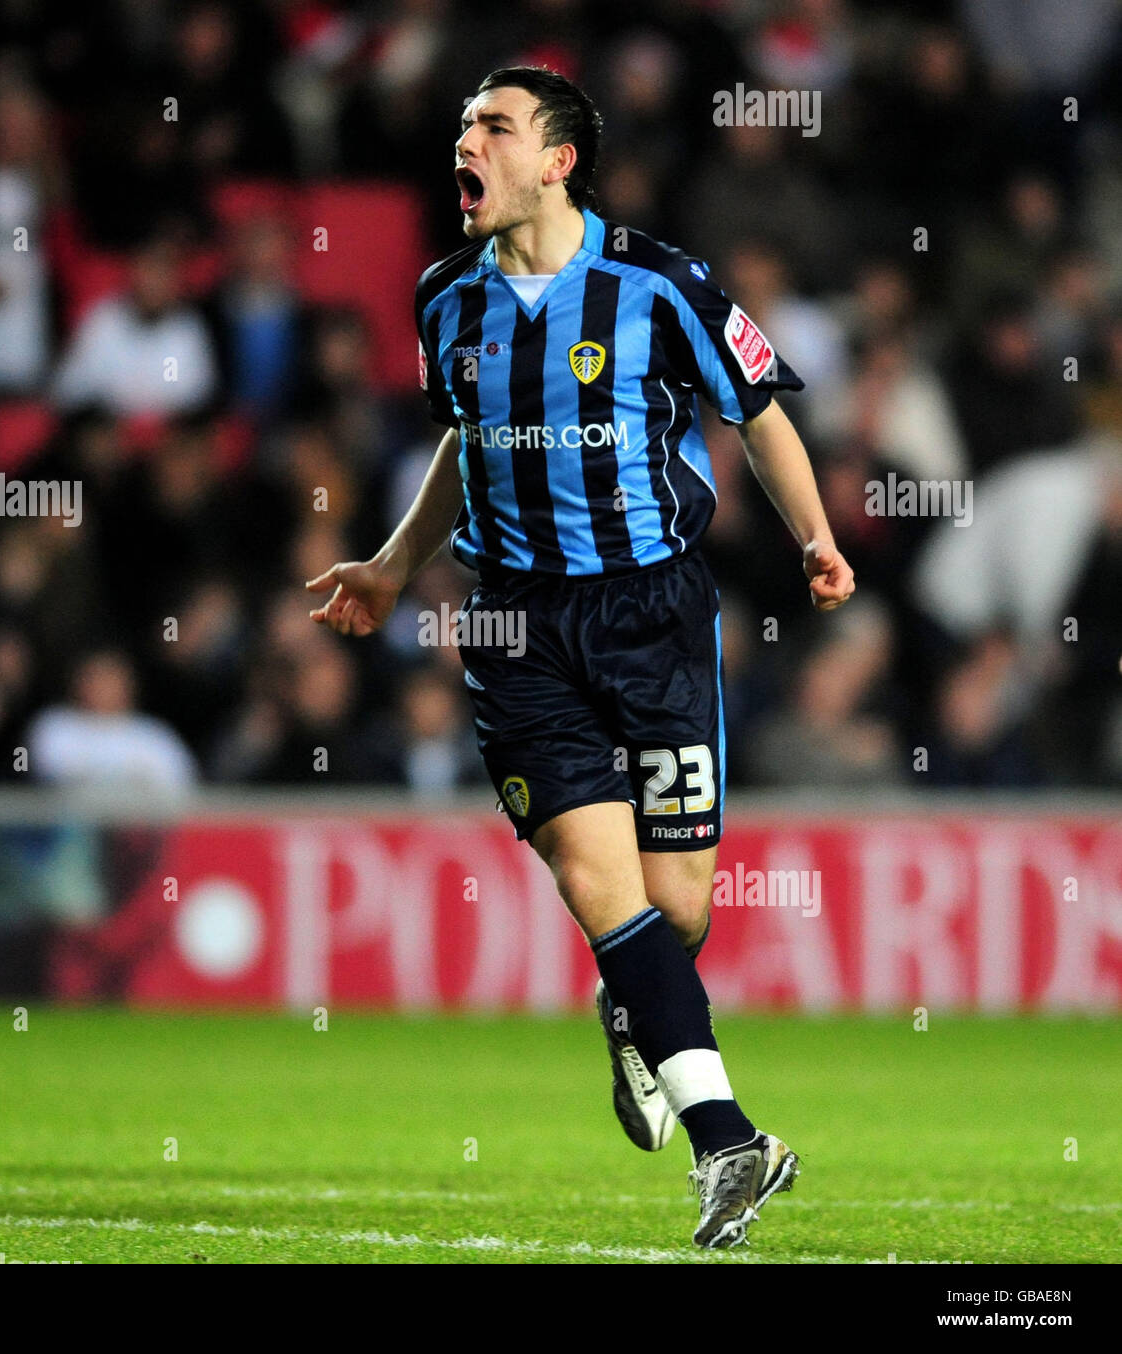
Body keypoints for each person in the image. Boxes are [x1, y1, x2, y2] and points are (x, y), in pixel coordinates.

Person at [306, 66, 855, 1248]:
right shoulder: (443, 297)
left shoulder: (660, 285)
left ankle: (635, 1013)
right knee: (596, 882)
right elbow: (468, 435)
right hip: (515, 625)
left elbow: (755, 408)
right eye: (462, 126)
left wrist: (814, 539)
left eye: (494, 126)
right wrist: (396, 563)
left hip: (655, 616)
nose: (469, 142)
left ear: (558, 160)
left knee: (676, 906)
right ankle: (731, 1147)